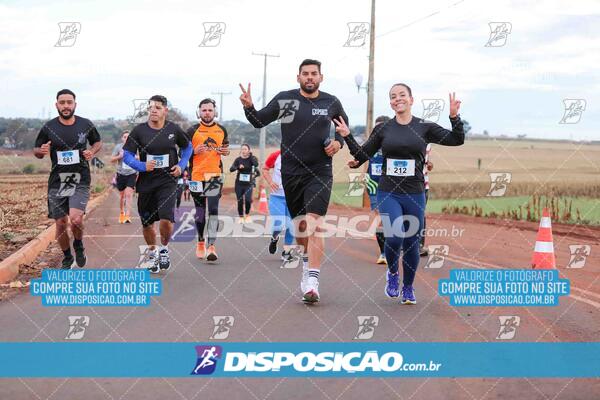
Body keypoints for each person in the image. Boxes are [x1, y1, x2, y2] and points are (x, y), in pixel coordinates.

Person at [335, 85, 464, 305]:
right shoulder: (384, 129)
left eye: (402, 95)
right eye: (393, 97)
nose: (397, 99)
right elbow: (361, 154)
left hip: (415, 192)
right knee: (394, 236)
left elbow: (456, 139)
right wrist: (347, 136)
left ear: (411, 99)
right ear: (391, 103)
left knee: (412, 242)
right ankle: (393, 274)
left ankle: (408, 287)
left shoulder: (424, 127)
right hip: (389, 191)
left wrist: (454, 117)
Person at [240, 58, 348, 303]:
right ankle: (307, 259)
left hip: (320, 171)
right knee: (300, 227)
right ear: (298, 77)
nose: (310, 77)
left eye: (314, 73)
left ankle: (313, 280)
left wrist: (338, 143)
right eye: (305, 74)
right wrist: (249, 107)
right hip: (291, 172)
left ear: (321, 77)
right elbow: (259, 121)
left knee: (314, 222)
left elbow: (343, 127)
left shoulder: (330, 102)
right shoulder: (286, 100)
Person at [122, 95, 192, 273]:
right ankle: (152, 251)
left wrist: (181, 165)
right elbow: (127, 155)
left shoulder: (173, 129)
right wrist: (141, 165)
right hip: (146, 182)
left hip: (167, 180)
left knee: (166, 220)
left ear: (165, 111)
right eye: (151, 107)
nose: (153, 110)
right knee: (147, 224)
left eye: (158, 107)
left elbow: (187, 148)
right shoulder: (138, 131)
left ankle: (164, 249)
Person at [34, 89, 102, 270]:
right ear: (56, 105)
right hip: (57, 180)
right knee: (61, 223)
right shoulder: (49, 127)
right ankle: (66, 256)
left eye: (69, 102)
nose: (66, 106)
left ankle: (78, 245)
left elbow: (97, 142)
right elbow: (37, 150)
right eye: (62, 102)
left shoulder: (85, 124)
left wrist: (92, 152)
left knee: (76, 219)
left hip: (79, 178)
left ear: (75, 105)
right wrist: (40, 152)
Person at [187, 98, 230, 261]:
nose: (207, 113)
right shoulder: (191, 130)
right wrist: (194, 151)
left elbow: (224, 148)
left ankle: (212, 246)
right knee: (200, 211)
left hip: (214, 175)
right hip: (196, 175)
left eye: (210, 110)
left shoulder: (222, 130)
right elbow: (181, 155)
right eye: (204, 110)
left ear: (215, 112)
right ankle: (200, 241)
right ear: (199, 112)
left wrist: (224, 152)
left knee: (213, 210)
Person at [262, 149, 295, 262]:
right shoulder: (276, 155)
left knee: (292, 225)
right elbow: (265, 169)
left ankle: (286, 252)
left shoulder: (301, 155)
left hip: (294, 197)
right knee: (279, 224)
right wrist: (271, 182)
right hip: (277, 196)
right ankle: (274, 238)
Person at [110, 130, 137, 223]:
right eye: (125, 137)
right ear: (122, 138)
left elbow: (141, 158)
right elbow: (111, 159)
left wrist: (136, 157)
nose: (126, 138)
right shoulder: (118, 147)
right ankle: (122, 213)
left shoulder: (135, 147)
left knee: (129, 194)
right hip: (121, 173)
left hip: (132, 173)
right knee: (122, 196)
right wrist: (119, 156)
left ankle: (128, 215)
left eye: (128, 137)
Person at [229, 144, 259, 224]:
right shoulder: (238, 160)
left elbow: (256, 164)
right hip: (239, 184)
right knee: (240, 201)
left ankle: (247, 215)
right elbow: (231, 169)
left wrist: (251, 156)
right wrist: (238, 167)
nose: (244, 150)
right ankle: (241, 217)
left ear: (249, 150)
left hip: (248, 184)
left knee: (248, 200)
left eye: (245, 149)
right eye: (242, 149)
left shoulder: (252, 159)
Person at [419, 144, 433, 257]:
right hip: (411, 184)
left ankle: (418, 245)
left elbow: (426, 160)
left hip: (423, 184)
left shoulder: (428, 143)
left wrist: (429, 164)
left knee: (419, 214)